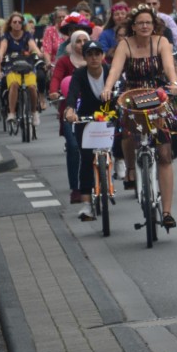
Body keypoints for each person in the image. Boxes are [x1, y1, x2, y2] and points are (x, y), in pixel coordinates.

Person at [101, 5, 177, 227]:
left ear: (154, 25)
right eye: (140, 23)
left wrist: (174, 83)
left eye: (148, 22)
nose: (144, 26)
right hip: (132, 93)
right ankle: (129, 169)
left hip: (157, 94)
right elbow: (115, 70)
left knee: (165, 153)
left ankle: (166, 212)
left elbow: (168, 66)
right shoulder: (124, 44)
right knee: (125, 128)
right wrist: (108, 88)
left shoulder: (161, 42)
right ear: (133, 26)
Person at [63, 41, 112, 220]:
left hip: (109, 114)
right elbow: (73, 93)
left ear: (103, 56)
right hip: (86, 117)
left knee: (123, 136)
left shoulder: (110, 71)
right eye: (90, 54)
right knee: (85, 158)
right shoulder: (80, 73)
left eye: (97, 53)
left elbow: (120, 89)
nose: (94, 58)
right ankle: (86, 204)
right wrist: (70, 110)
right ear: (84, 57)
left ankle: (121, 162)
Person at [50, 29, 91, 203]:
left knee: (96, 147)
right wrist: (53, 91)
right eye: (78, 41)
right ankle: (75, 188)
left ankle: (101, 180)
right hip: (70, 110)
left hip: (92, 109)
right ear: (71, 44)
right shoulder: (64, 62)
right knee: (73, 147)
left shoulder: (95, 59)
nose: (82, 44)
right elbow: (56, 78)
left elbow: (109, 75)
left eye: (85, 41)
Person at [0, 12, 47, 126]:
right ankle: (11, 113)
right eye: (15, 22)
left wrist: (38, 52)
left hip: (27, 64)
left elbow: (32, 45)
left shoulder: (27, 35)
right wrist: (0, 54)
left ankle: (34, 113)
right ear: (10, 24)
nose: (17, 24)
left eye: (19, 22)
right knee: (13, 84)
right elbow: (3, 46)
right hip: (12, 65)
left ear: (22, 24)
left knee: (32, 87)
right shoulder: (6, 36)